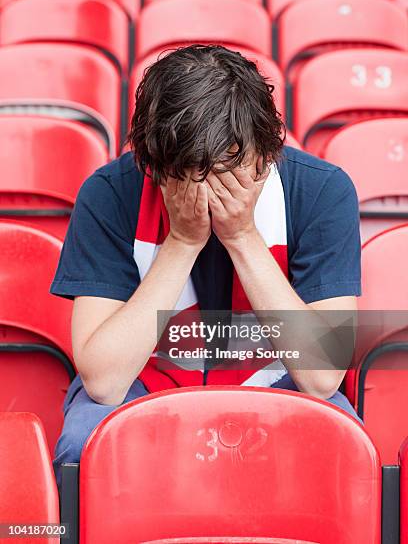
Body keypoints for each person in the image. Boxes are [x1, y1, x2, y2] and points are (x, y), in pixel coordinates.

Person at [51, 44, 362, 483]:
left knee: (343, 444)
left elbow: (322, 376)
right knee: (85, 441)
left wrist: (242, 236)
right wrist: (180, 242)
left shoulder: (322, 191)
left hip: (278, 375)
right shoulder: (109, 192)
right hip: (148, 376)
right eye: (193, 176)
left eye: (231, 171)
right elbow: (104, 381)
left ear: (267, 150)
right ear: (154, 165)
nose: (215, 192)